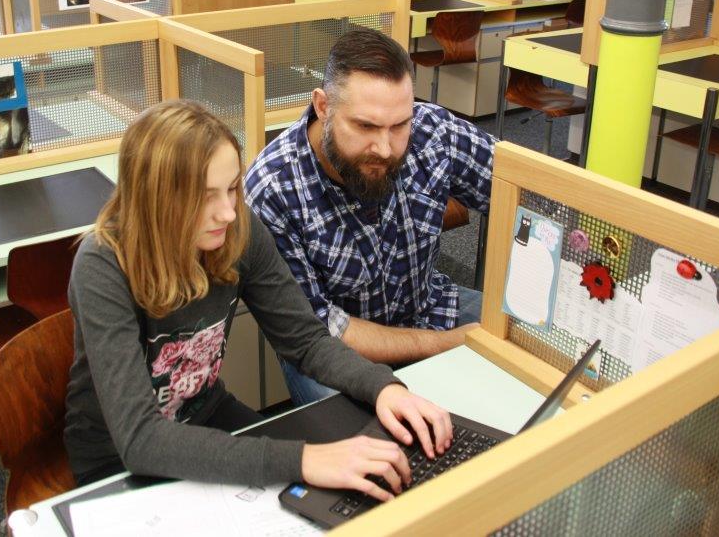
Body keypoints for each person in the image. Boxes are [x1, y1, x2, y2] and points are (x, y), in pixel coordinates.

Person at [64, 99, 455, 502]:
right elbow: (141, 439)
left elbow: (306, 340)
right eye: (205, 196)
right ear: (156, 200)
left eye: (232, 188)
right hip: (115, 455)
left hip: (205, 412)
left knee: (329, 500)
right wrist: (303, 460)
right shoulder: (103, 263)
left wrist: (384, 388)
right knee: (302, 478)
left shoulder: (237, 232)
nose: (228, 213)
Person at [245, 29, 495, 405]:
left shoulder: (433, 131)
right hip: (337, 351)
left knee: (537, 348)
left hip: (429, 306)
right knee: (373, 450)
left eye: (399, 126)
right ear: (323, 106)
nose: (385, 148)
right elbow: (320, 327)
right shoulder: (273, 189)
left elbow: (524, 188)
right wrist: (441, 345)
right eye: (365, 126)